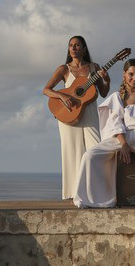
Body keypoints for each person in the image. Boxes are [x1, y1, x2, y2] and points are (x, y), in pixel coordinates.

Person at [73, 58, 135, 208]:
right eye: (131, 74)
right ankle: (90, 198)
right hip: (122, 136)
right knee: (90, 155)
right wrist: (124, 144)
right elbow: (116, 124)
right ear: (124, 75)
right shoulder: (117, 96)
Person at [43, 36, 110, 199]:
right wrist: (62, 96)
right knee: (71, 152)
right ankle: (73, 194)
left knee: (95, 149)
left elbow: (103, 93)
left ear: (84, 49)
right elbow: (46, 90)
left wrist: (106, 79)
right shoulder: (63, 69)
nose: (73, 48)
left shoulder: (94, 67)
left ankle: (96, 191)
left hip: (89, 111)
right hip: (69, 112)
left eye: (77, 45)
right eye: (71, 45)